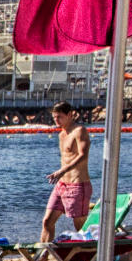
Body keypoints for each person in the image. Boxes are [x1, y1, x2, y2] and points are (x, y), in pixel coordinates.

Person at [40, 101, 92, 250]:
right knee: (47, 221)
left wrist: (62, 170)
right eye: (54, 117)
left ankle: (90, 256)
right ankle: (42, 257)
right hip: (62, 184)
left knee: (81, 227)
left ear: (70, 115)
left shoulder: (80, 131)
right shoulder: (61, 134)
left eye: (59, 117)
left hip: (78, 184)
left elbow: (83, 155)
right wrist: (61, 173)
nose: (56, 120)